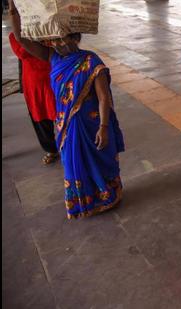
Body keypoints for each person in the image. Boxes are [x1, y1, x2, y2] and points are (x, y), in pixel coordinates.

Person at [9, 1, 125, 219]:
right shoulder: (53, 58)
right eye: (58, 39)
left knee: (99, 162)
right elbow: (22, 39)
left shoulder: (91, 60)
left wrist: (103, 127)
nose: (62, 43)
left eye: (67, 38)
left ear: (76, 38)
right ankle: (85, 202)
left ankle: (107, 196)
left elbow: (103, 97)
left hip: (92, 126)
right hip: (68, 127)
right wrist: (14, 9)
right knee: (74, 165)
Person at [8, 32, 59, 165]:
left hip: (55, 76)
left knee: (63, 113)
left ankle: (71, 145)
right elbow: (21, 52)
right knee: (40, 116)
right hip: (34, 82)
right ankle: (51, 149)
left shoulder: (47, 28)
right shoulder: (16, 35)